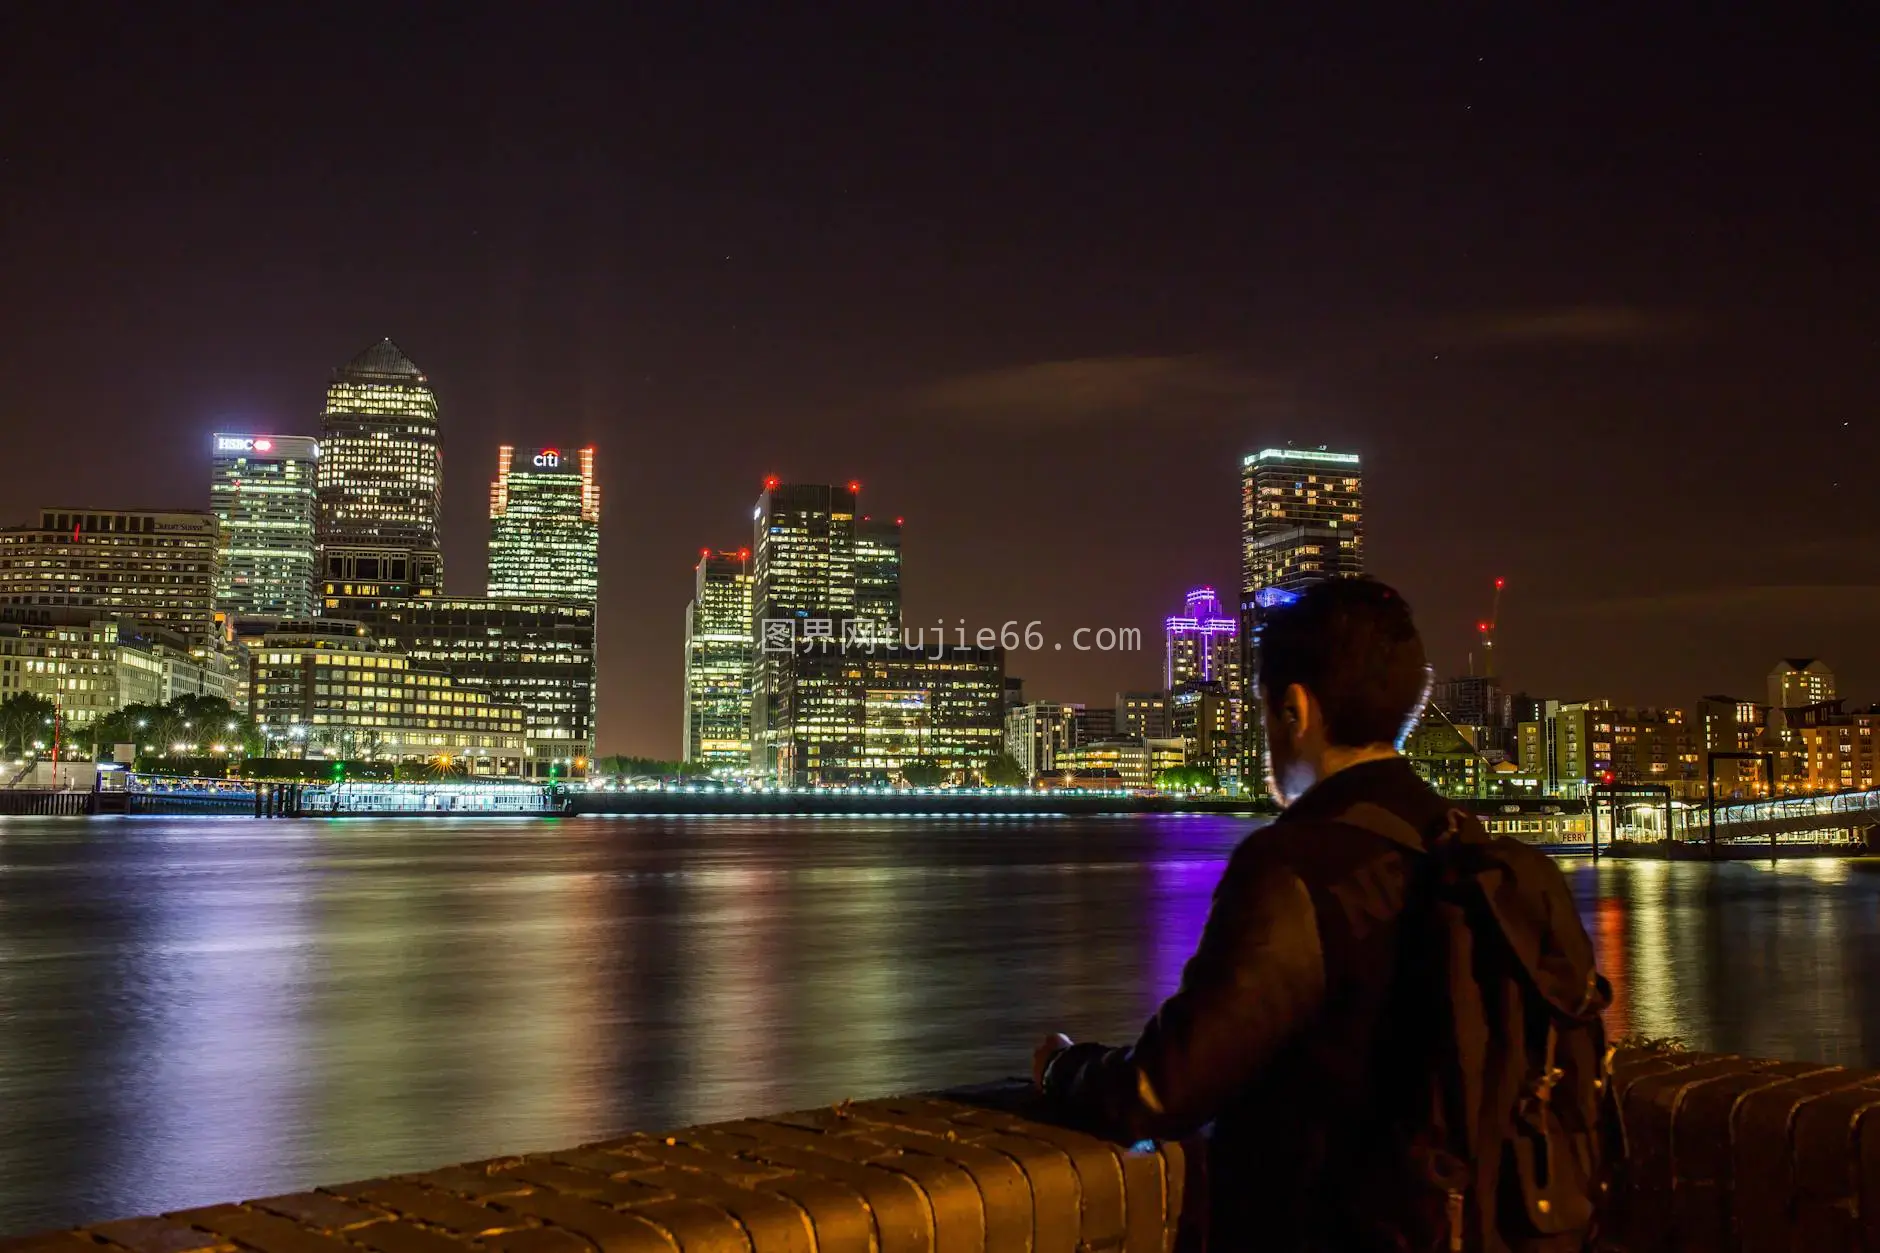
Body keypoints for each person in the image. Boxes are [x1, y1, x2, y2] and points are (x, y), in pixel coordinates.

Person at [1033, 576, 1608, 1252]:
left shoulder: (1293, 866)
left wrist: (1062, 1069)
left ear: (1295, 708)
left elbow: (1166, 1086)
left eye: (1264, 713)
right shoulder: (1484, 856)